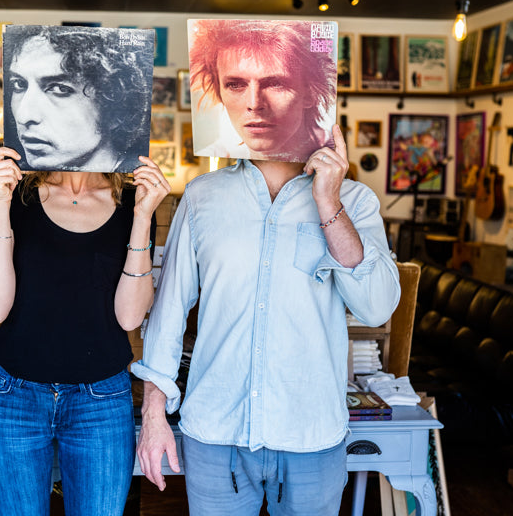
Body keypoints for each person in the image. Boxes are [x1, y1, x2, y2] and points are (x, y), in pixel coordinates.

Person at [132, 124, 400, 515]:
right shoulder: (202, 195)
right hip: (216, 432)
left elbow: (377, 307)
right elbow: (169, 311)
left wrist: (329, 203)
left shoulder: (355, 201)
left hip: (311, 434)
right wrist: (153, 414)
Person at [0, 144, 171, 516]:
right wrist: (0, 204)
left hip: (100, 400)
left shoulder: (134, 201)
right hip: (13, 396)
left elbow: (130, 318)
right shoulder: (16, 197)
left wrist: (144, 216)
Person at [4, 26, 152, 173]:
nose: (24, 116)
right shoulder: (15, 189)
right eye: (19, 84)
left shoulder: (137, 191)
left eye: (59, 89)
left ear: (115, 110)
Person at [189, 19, 336, 162]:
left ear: (310, 92)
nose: (254, 104)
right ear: (219, 91)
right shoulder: (212, 160)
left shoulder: (336, 161)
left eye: (275, 84)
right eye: (235, 85)